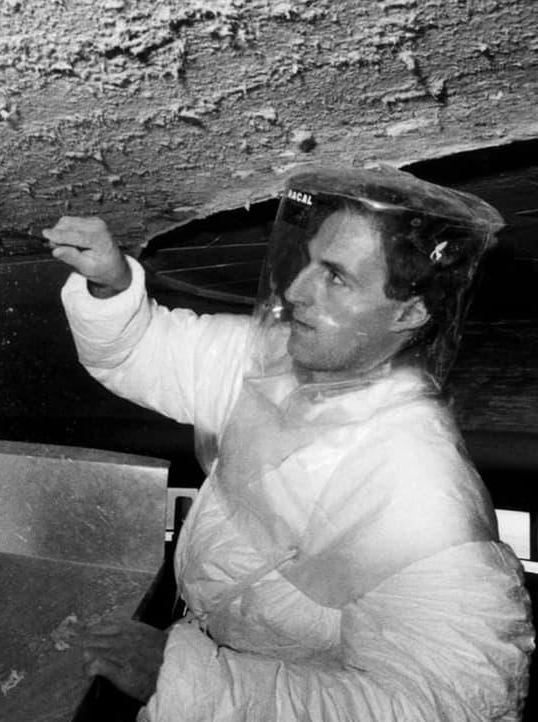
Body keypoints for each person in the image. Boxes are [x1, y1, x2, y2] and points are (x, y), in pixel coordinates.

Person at [43, 165, 534, 721]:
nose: (298, 290)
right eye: (307, 261)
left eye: (336, 277)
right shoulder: (273, 362)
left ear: (411, 310)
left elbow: (444, 708)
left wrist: (185, 679)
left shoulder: (422, 497)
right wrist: (111, 284)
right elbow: (143, 351)